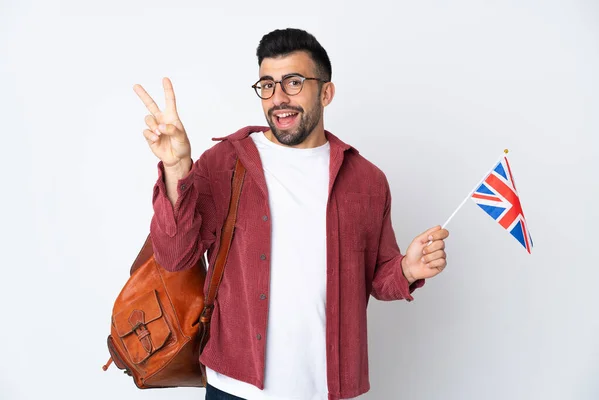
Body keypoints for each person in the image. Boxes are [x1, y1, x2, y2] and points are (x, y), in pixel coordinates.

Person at [133, 28, 449, 400]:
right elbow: (175, 255)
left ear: (326, 92)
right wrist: (175, 167)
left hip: (328, 390)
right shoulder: (225, 163)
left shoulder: (367, 180)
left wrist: (407, 270)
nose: (278, 98)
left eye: (293, 82)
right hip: (235, 389)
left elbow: (378, 279)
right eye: (267, 85)